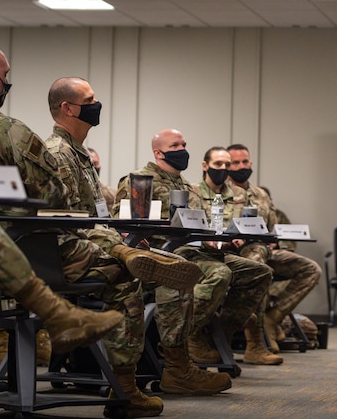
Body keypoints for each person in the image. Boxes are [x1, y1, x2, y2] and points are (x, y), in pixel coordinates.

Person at [0, 41, 123, 417]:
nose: (6, 85)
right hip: (25, 253)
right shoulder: (11, 131)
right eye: (5, 78)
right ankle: (116, 374)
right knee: (120, 267)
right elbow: (55, 193)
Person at [44, 80, 231, 414]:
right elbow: (69, 220)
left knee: (173, 270)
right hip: (67, 251)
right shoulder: (59, 154)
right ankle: (128, 390)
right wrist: (117, 246)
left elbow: (97, 215)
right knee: (130, 279)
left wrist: (122, 239)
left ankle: (173, 368)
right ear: (68, 108)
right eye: (89, 100)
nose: (96, 104)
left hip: (92, 241)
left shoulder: (78, 152)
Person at [112, 132, 277, 366]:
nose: (182, 149)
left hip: (192, 249)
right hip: (161, 252)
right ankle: (180, 340)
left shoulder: (185, 185)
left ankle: (213, 333)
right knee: (219, 273)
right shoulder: (140, 180)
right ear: (158, 152)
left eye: (184, 145)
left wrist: (214, 237)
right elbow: (122, 223)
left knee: (259, 272)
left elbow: (199, 223)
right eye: (175, 145)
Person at [227, 144, 321, 353]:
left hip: (265, 251)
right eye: (235, 163)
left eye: (245, 162)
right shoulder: (221, 192)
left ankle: (273, 317)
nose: (241, 166)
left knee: (311, 269)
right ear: (227, 165)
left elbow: (271, 227)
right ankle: (255, 336)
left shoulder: (261, 194)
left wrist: (272, 241)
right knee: (257, 264)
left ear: (251, 163)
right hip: (234, 254)